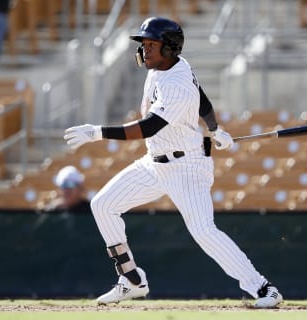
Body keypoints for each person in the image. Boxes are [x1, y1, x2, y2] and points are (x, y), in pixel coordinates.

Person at [64, 17, 283, 308]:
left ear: (169, 48)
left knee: (204, 231)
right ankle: (131, 279)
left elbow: (148, 127)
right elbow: (204, 101)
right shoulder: (165, 67)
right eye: (144, 44)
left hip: (187, 167)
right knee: (102, 205)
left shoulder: (176, 82)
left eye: (152, 45)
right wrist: (215, 129)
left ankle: (263, 289)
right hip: (155, 163)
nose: (145, 51)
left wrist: (97, 133)